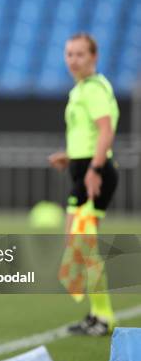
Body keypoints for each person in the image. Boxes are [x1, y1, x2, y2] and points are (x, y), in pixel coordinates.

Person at [48, 33, 119, 336]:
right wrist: (70, 156)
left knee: (84, 245)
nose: (73, 60)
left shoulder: (93, 89)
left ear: (94, 57)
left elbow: (106, 131)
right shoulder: (81, 89)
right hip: (83, 170)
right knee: (76, 244)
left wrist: (95, 169)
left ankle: (103, 317)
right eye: (69, 54)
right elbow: (88, 134)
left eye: (79, 54)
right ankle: (95, 313)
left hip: (94, 174)